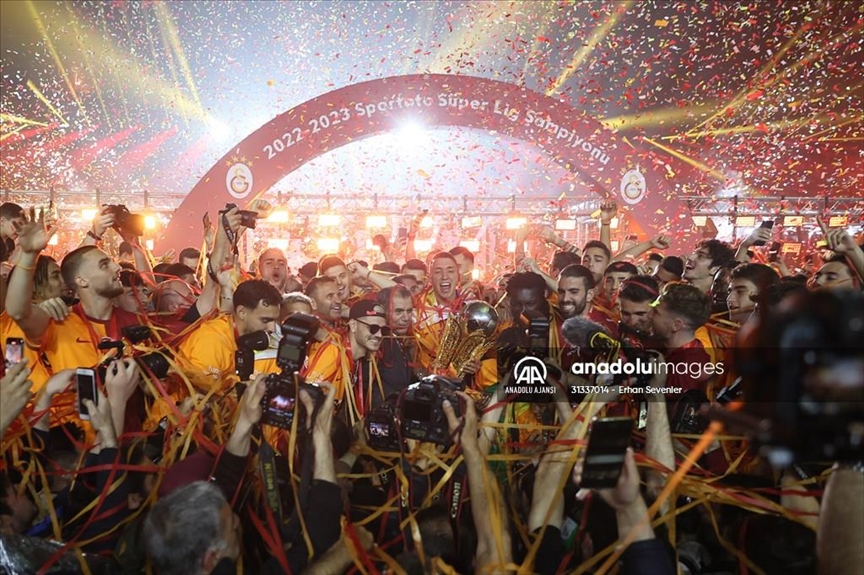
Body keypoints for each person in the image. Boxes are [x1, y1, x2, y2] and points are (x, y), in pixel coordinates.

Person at [177, 279, 281, 391]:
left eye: (275, 321)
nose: (272, 328)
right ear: (242, 312)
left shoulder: (241, 336)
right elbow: (202, 397)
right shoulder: (212, 340)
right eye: (265, 320)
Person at [650, 283, 714, 395]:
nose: (649, 316)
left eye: (656, 312)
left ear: (676, 325)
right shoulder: (686, 353)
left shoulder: (684, 371)